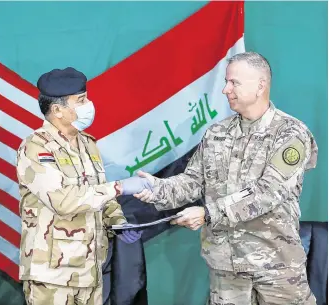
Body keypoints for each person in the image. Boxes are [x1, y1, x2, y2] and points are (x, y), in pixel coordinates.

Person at [124, 51, 318, 304]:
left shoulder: (291, 133)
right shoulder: (217, 133)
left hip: (276, 267)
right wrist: (157, 188)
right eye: (226, 82)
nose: (226, 89)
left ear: (261, 85)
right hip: (227, 270)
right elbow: (193, 182)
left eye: (233, 82)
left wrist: (208, 213)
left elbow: (268, 192)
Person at [16, 67, 144, 305]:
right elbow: (63, 201)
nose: (89, 105)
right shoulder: (37, 148)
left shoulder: (88, 144)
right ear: (57, 110)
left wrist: (118, 223)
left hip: (90, 270)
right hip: (52, 275)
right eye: (81, 100)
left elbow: (98, 193)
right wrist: (120, 187)